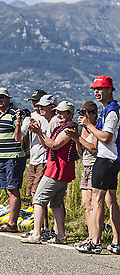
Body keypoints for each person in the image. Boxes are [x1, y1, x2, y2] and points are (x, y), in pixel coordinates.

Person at [22, 101, 78, 244]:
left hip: (57, 170)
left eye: (62, 112)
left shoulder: (68, 129)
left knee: (39, 199)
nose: (59, 114)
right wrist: (38, 132)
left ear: (70, 114)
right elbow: (47, 144)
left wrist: (39, 132)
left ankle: (37, 233)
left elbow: (54, 145)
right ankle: (61, 235)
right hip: (60, 170)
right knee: (55, 203)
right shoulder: (61, 128)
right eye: (58, 112)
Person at [75, 76, 120, 254]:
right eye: (95, 89)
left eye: (100, 89)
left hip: (105, 159)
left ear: (110, 90)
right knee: (111, 201)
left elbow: (105, 137)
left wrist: (88, 126)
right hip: (112, 159)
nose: (97, 92)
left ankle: (95, 241)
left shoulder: (112, 112)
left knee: (97, 200)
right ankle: (116, 242)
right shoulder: (108, 110)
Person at [0, 87, 26, 233]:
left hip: (13, 157)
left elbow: (20, 136)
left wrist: (18, 122)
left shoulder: (14, 114)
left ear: (8, 99)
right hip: (3, 158)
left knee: (12, 189)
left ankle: (12, 223)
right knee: (7, 189)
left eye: (1, 97)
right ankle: (11, 222)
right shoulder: (1, 115)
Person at [66, 101, 98, 246]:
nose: (82, 116)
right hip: (85, 166)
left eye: (85, 113)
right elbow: (81, 152)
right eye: (81, 113)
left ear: (93, 114)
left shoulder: (96, 128)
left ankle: (94, 237)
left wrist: (78, 138)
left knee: (92, 204)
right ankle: (90, 235)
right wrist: (75, 138)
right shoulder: (83, 129)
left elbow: (93, 149)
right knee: (85, 204)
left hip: (94, 166)